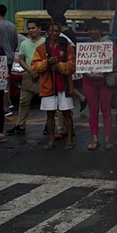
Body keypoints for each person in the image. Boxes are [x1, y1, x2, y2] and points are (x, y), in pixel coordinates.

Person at [32, 22, 76, 150]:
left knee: (67, 113)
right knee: (50, 114)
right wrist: (47, 63)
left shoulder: (67, 46)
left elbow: (72, 65)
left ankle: (69, 139)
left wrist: (60, 66)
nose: (54, 34)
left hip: (64, 85)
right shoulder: (41, 48)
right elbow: (34, 66)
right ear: (47, 33)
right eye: (51, 31)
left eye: (56, 31)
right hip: (48, 85)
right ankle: (51, 139)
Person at [8, 19, 46, 135]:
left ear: (39, 29)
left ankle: (49, 125)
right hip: (29, 74)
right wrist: (30, 71)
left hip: (44, 75)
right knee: (24, 101)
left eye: (33, 28)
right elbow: (21, 59)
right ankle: (20, 125)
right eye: (29, 28)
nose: (31, 30)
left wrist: (39, 71)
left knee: (47, 102)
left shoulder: (45, 42)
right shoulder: (24, 43)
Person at [83, 19, 116, 150]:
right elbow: (81, 65)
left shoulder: (109, 45)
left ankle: (107, 139)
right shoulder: (85, 47)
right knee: (93, 111)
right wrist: (90, 74)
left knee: (106, 110)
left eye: (95, 29)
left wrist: (103, 71)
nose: (92, 32)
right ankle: (95, 139)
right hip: (89, 82)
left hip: (104, 82)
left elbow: (113, 62)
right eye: (90, 29)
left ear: (100, 30)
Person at [0, 4, 19, 115]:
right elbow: (15, 42)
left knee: (0, 84)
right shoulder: (12, 26)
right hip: (10, 56)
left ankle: (4, 108)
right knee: (6, 82)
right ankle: (7, 104)